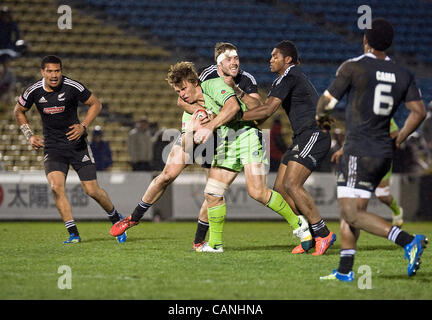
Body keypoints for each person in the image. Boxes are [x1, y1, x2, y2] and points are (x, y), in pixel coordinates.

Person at [111, 61, 311, 252]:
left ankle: (299, 225)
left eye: (184, 89)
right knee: (212, 192)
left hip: (247, 135)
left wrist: (208, 126)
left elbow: (233, 108)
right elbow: (187, 147)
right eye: (178, 92)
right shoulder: (191, 112)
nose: (182, 96)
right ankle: (213, 245)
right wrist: (191, 130)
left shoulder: (214, 85)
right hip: (228, 141)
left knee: (257, 192)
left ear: (195, 82)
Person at [317, 18, 427, 281]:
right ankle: (344, 271)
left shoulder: (354, 68)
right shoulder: (404, 73)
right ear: (389, 44)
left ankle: (408, 241)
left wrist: (322, 121)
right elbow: (419, 112)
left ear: (365, 40)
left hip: (359, 150)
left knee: (351, 213)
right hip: (384, 154)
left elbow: (325, 104)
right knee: (354, 210)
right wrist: (400, 137)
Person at [228, 40, 336, 255]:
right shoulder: (284, 79)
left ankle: (323, 233)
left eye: (275, 56)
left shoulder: (291, 75)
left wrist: (232, 117)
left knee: (292, 184)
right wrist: (240, 97)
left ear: (287, 59)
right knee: (280, 188)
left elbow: (267, 110)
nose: (270, 59)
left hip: (314, 133)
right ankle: (312, 235)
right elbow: (264, 113)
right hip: (301, 136)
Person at [13, 55, 126, 244]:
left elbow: (96, 104)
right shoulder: (33, 91)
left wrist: (83, 126)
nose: (54, 75)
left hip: (77, 145)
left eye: (57, 71)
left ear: (61, 71)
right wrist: (29, 135)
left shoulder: (72, 86)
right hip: (53, 147)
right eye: (49, 71)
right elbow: (18, 111)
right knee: (56, 187)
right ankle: (73, 233)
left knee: (92, 191)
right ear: (43, 72)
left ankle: (117, 219)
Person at [189, 42, 263, 250]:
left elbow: (259, 110)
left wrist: (237, 93)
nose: (234, 62)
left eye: (236, 58)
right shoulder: (207, 75)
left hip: (241, 136)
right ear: (219, 61)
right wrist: (202, 119)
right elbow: (192, 100)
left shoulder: (246, 79)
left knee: (224, 192)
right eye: (229, 59)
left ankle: (204, 242)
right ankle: (203, 241)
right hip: (215, 137)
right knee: (212, 193)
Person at [331, 118, 404, 226]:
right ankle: (352, 224)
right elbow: (354, 134)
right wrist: (342, 150)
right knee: (357, 195)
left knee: (382, 194)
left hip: (381, 157)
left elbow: (395, 134)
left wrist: (386, 149)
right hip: (361, 158)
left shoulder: (383, 113)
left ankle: (396, 210)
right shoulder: (359, 111)